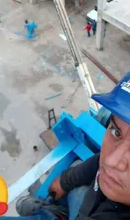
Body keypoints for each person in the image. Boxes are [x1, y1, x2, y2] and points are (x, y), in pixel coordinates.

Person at [14, 72, 130, 220]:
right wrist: (65, 181)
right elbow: (97, 162)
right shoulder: (115, 171)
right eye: (116, 132)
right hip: (89, 204)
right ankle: (58, 212)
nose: (110, 161)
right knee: (77, 167)